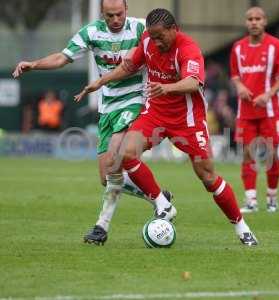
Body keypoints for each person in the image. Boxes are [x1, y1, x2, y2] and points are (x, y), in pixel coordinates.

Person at [75, 8, 258, 246]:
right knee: (126, 154)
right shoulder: (149, 40)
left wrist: (167, 88)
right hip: (156, 114)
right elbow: (129, 66)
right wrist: (100, 81)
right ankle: (163, 204)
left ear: (174, 30)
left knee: (207, 176)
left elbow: (193, 82)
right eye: (152, 36)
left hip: (188, 120)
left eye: (160, 36)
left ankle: (242, 228)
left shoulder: (188, 48)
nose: (156, 41)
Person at [12, 0, 173, 245]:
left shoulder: (141, 28)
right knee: (107, 176)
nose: (116, 19)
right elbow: (62, 58)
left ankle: (101, 227)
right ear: (102, 14)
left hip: (135, 100)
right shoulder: (91, 32)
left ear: (126, 10)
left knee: (116, 158)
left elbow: (170, 41)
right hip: (107, 106)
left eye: (119, 14)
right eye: (110, 16)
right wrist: (34, 64)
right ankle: (159, 198)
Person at [230, 7, 279, 213]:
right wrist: (240, 86)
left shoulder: (278, 46)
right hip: (245, 112)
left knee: (270, 155)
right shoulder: (237, 48)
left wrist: (268, 94)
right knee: (247, 154)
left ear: (265, 21)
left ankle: (272, 198)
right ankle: (251, 201)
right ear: (246, 23)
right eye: (250, 19)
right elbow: (235, 75)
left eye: (258, 19)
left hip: (270, 111)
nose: (254, 22)